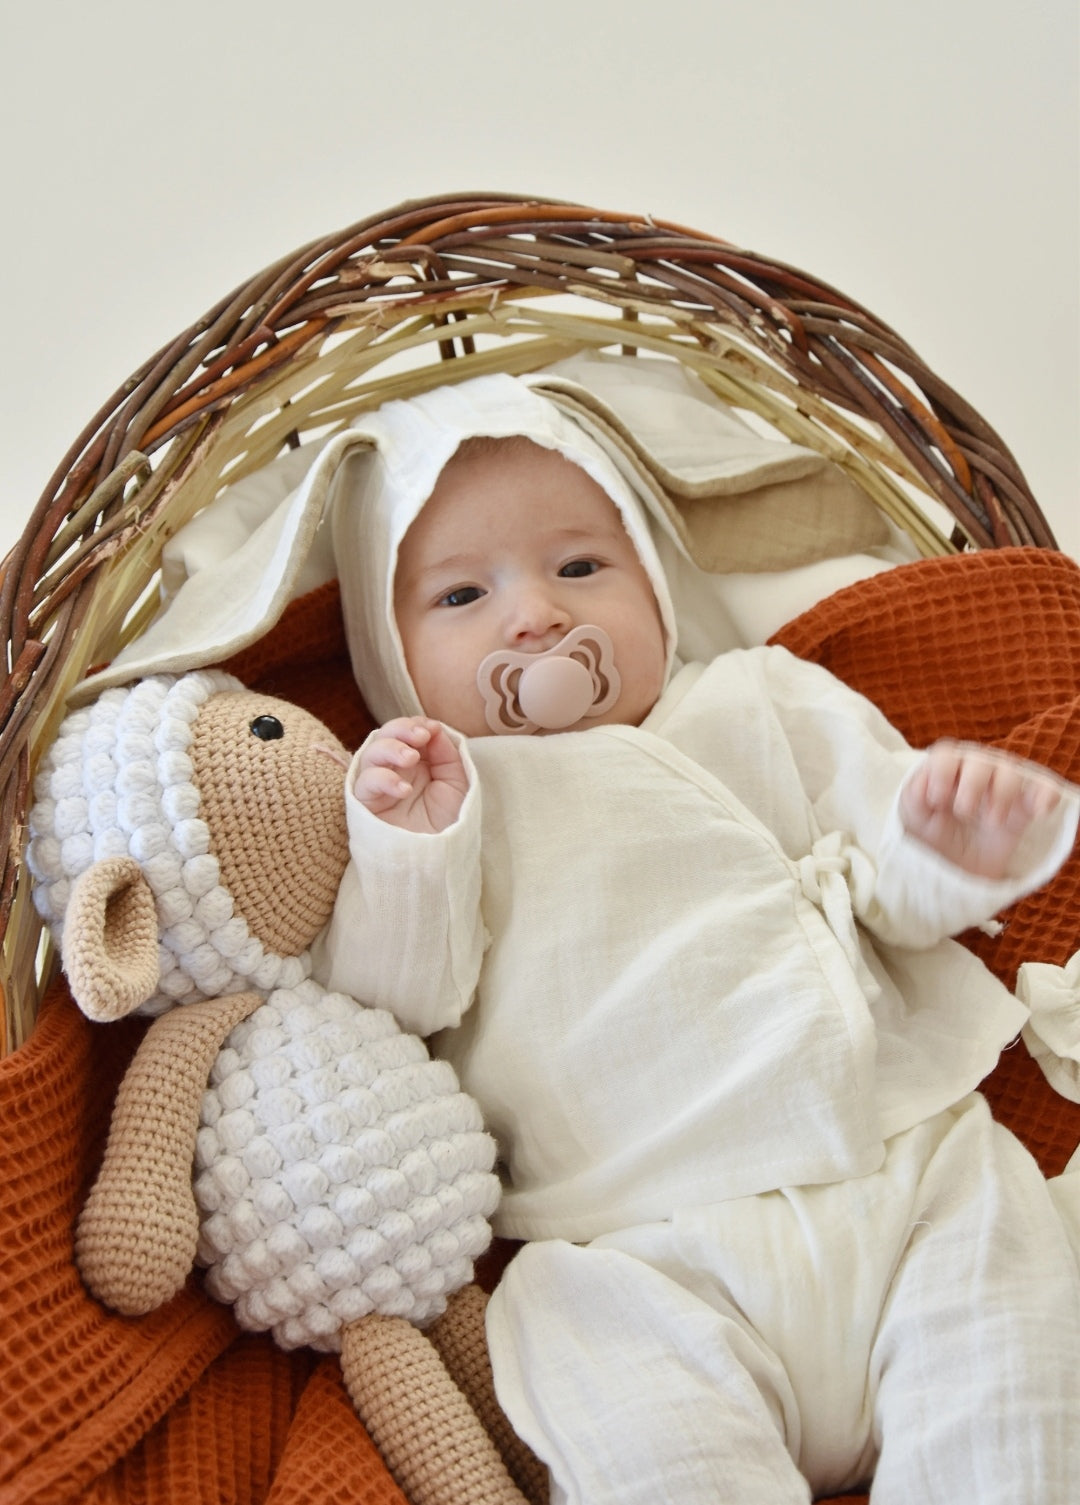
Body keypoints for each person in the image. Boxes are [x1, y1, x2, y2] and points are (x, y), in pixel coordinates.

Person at [315, 373, 1080, 1504]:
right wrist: (409, 852)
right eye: (464, 594)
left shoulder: (753, 699)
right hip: (639, 1245)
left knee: (1009, 1351)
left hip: (901, 1170)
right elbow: (391, 1007)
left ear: (655, 588)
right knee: (605, 1381)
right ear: (389, 661)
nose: (535, 616)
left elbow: (885, 857)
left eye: (580, 566)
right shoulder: (449, 802)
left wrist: (946, 832)